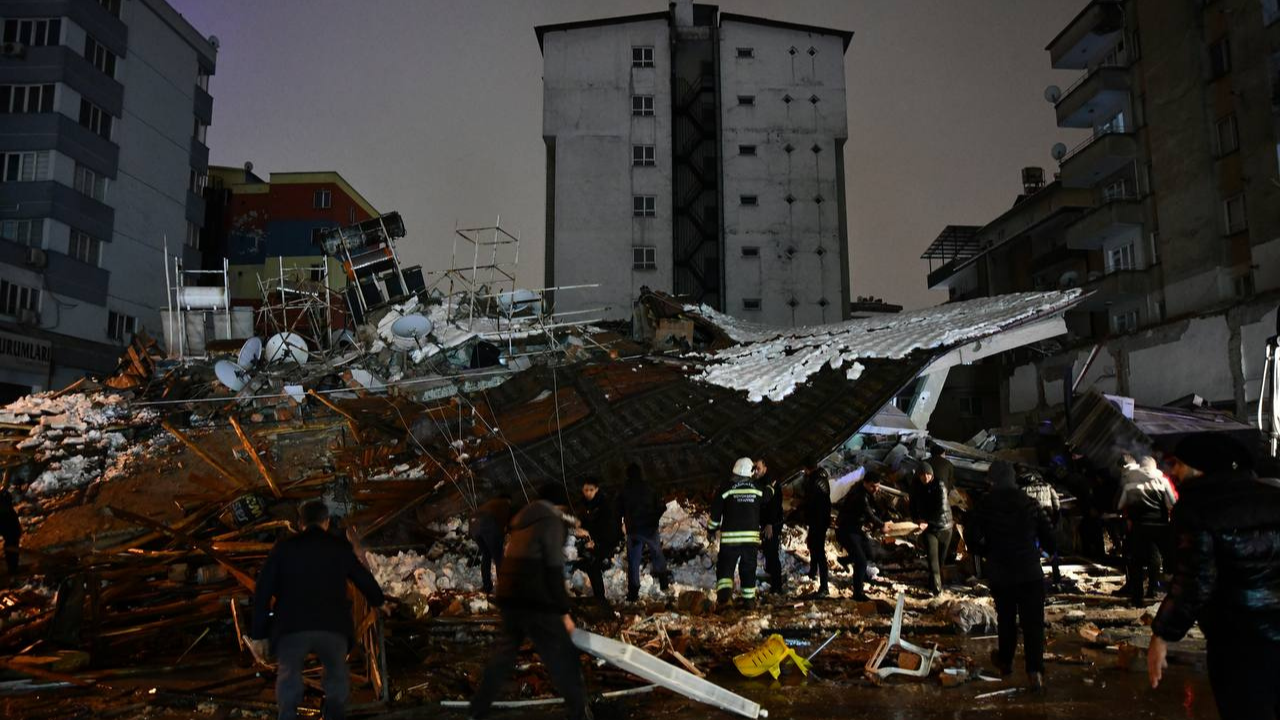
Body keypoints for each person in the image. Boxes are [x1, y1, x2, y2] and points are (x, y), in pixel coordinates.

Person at [1148, 433, 1280, 720]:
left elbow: (1195, 581)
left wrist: (1162, 634)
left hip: (1238, 642)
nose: (1174, 472)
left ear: (1201, 467)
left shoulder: (1197, 507)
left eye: (1179, 464)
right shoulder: (1273, 497)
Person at [250, 500, 389, 720]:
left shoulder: (284, 548)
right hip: (331, 625)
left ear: (300, 523)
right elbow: (361, 576)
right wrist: (379, 600)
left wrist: (259, 634)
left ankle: (287, 715)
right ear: (326, 522)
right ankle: (333, 713)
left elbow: (263, 590)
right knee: (336, 676)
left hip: (291, 626)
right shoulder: (338, 547)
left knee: (289, 677)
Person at [472, 484, 591, 720]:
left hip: (509, 594)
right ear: (558, 505)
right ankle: (580, 713)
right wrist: (563, 611)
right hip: (534, 596)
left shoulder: (522, 521)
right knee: (562, 654)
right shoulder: (551, 521)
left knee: (503, 655)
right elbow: (554, 569)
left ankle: (477, 710)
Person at [969, 461, 1054, 691]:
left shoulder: (984, 505)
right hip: (1029, 572)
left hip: (1001, 573)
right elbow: (1050, 537)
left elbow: (972, 538)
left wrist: (988, 553)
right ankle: (1035, 670)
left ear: (993, 479)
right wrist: (1041, 550)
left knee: (1006, 620)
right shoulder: (1030, 503)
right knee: (1033, 624)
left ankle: (1005, 663)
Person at [709, 457, 772, 607]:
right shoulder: (757, 488)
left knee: (725, 567)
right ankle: (749, 601)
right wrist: (767, 479)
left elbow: (715, 513)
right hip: (750, 540)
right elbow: (769, 494)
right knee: (748, 569)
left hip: (730, 540)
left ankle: (724, 599)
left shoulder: (725, 488)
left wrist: (712, 529)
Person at [1118, 455, 1176, 606]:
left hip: (1139, 526)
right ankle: (1158, 591)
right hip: (1160, 525)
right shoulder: (1162, 481)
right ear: (1154, 466)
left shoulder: (1129, 483)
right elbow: (1171, 504)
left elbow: (1120, 504)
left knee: (1136, 561)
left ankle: (1137, 598)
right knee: (1161, 558)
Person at [835, 470, 892, 601]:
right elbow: (869, 513)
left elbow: (877, 508)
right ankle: (858, 593)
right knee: (860, 561)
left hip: (855, 529)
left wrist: (886, 519)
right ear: (865, 483)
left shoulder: (868, 492)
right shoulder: (859, 495)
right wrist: (882, 525)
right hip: (846, 530)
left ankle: (845, 561)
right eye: (873, 486)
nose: (876, 489)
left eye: (878, 486)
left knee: (869, 551)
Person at [621, 463, 669, 602]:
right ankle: (664, 583)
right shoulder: (650, 487)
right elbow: (661, 506)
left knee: (634, 561)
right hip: (649, 529)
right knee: (657, 553)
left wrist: (623, 523)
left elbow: (617, 508)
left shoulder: (625, 490)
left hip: (634, 531)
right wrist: (654, 519)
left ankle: (633, 593)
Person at [910, 461, 954, 595]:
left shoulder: (940, 485)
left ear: (932, 474)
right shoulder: (916, 486)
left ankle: (932, 584)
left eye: (928, 474)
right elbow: (912, 504)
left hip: (944, 526)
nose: (925, 478)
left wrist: (926, 522)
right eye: (922, 475)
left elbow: (940, 508)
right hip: (929, 529)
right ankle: (937, 591)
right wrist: (916, 519)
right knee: (932, 559)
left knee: (940, 561)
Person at [575, 477, 620, 605]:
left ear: (596, 489)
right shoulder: (583, 503)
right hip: (591, 539)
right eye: (585, 490)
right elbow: (584, 519)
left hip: (604, 540)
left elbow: (608, 527)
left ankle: (600, 598)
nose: (588, 493)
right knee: (590, 565)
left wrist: (596, 541)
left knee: (593, 564)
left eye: (591, 490)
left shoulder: (605, 504)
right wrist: (580, 525)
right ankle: (599, 596)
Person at [1018, 466, 1062, 586]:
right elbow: (1057, 504)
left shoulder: (1023, 490)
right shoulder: (1048, 487)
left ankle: (1038, 578)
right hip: (1047, 522)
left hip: (1032, 524)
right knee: (1053, 550)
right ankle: (1057, 579)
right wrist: (1055, 520)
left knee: (1035, 550)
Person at [469, 495, 513, 595]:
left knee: (486, 555)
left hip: (473, 525)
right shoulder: (505, 504)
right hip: (486, 523)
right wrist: (503, 537)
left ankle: (487, 586)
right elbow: (502, 523)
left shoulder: (492, 504)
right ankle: (504, 588)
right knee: (498, 558)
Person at [756, 459, 787, 595]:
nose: (755, 471)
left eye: (758, 468)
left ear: (765, 468)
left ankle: (777, 586)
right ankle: (772, 581)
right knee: (768, 551)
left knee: (772, 551)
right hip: (766, 523)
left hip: (772, 524)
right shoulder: (761, 482)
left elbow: (773, 506)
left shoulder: (771, 483)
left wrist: (769, 524)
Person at [801, 468, 833, 597]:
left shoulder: (814, 482)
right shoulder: (823, 479)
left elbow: (810, 503)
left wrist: (800, 508)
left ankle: (824, 587)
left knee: (819, 552)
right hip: (821, 520)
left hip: (817, 521)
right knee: (814, 546)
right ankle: (813, 572)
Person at [0, 490, 19, 579]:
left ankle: (12, 569)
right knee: (11, 545)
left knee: (11, 545)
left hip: (9, 524)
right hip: (9, 523)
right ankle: (12, 568)